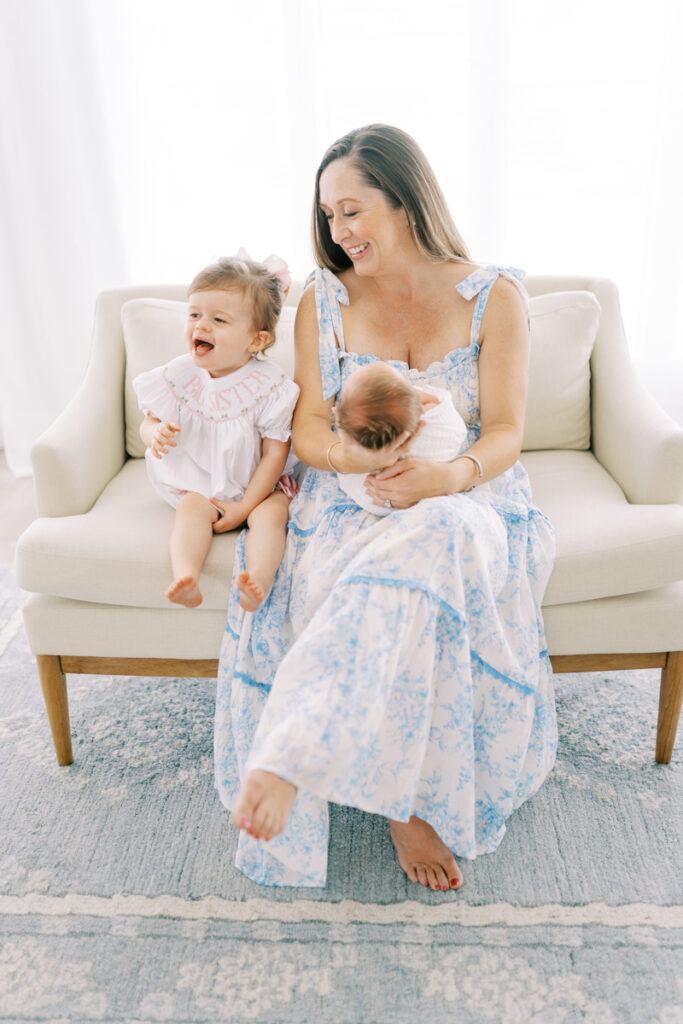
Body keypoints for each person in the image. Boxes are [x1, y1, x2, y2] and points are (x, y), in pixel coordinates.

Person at [215, 124, 557, 892]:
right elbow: (307, 432)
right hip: (351, 504)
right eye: (328, 215)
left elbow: (505, 431)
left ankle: (301, 753)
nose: (337, 232)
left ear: (404, 202)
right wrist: (356, 459)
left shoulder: (492, 296)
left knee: (435, 533)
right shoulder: (321, 300)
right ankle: (397, 799)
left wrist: (446, 478)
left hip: (467, 495)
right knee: (377, 566)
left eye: (352, 211)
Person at [133, 253, 299, 612]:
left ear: (256, 341)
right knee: (191, 509)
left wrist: (245, 506)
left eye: (218, 319)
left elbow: (275, 453)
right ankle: (186, 576)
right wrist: (155, 432)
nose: (200, 326)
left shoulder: (270, 385)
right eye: (194, 314)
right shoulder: (179, 374)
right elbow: (148, 421)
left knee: (270, 516)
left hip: (260, 484)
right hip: (203, 483)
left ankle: (257, 579)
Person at [333, 360, 469, 515]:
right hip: (444, 501)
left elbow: (349, 477)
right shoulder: (439, 419)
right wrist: (430, 401)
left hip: (374, 504)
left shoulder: (359, 457)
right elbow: (457, 431)